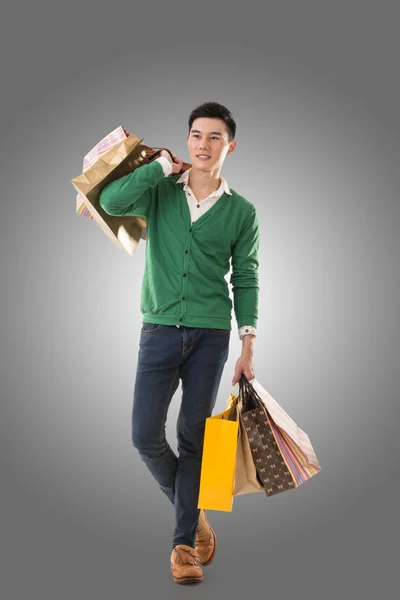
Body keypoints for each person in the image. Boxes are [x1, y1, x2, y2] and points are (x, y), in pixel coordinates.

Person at [99, 101, 260, 584]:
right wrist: (159, 167)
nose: (202, 145)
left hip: (212, 336)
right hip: (159, 331)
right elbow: (110, 203)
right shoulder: (160, 191)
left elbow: (246, 277)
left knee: (194, 437)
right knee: (144, 434)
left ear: (230, 146)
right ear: (186, 140)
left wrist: (248, 342)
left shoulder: (242, 211)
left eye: (214, 137)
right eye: (195, 135)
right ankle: (193, 512)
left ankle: (182, 548)